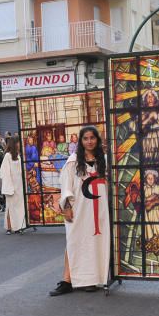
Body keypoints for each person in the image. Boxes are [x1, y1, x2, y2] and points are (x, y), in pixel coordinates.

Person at [50, 126, 110, 296]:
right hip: (78, 209)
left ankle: (91, 279)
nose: (89, 141)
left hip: (99, 212)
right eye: (86, 138)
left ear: (97, 140)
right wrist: (67, 207)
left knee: (95, 244)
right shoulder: (73, 162)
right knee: (75, 241)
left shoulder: (103, 161)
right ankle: (67, 280)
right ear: (81, 142)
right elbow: (66, 186)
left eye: (92, 138)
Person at [0, 136, 26, 234]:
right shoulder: (8, 156)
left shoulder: (18, 155)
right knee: (10, 206)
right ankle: (9, 227)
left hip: (19, 184)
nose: (20, 144)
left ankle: (18, 226)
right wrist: (8, 186)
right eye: (18, 142)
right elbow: (5, 172)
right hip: (11, 184)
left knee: (19, 207)